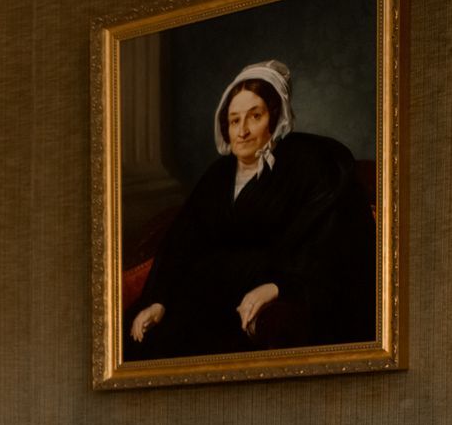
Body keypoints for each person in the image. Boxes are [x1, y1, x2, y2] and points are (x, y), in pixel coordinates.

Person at [126, 59, 374, 360]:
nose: (242, 131)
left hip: (254, 297)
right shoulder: (217, 176)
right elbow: (181, 242)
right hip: (201, 296)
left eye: (254, 116)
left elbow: (323, 244)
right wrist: (158, 300)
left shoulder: (305, 167)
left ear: (275, 118)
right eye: (234, 120)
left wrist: (278, 287)